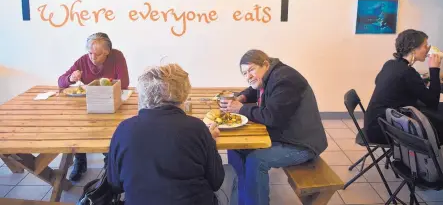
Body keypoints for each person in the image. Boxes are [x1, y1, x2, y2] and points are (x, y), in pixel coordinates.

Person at [107, 64, 238, 205]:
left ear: (143, 95)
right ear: (183, 94)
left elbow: (115, 184)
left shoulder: (124, 129)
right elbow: (216, 181)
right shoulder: (197, 128)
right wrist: (210, 142)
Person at [220, 49, 327, 205]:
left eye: (251, 70)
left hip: (302, 144)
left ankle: (255, 201)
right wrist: (241, 97)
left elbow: (271, 117)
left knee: (257, 160)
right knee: (235, 145)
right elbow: (254, 89)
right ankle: (242, 195)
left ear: (265, 64)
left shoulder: (286, 80)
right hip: (285, 135)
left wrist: (240, 108)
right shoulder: (272, 75)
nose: (248, 76)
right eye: (245, 73)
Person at [58, 32, 130, 181]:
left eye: (96, 54)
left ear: (107, 52)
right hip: (89, 105)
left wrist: (102, 84)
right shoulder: (83, 61)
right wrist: (70, 78)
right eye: (90, 53)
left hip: (111, 103)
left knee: (113, 129)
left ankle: (108, 162)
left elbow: (124, 83)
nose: (92, 57)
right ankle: (80, 161)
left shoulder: (117, 57)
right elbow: (60, 82)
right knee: (78, 123)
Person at [364, 29, 442, 144]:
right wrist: (434, 69)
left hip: (373, 124)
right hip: (383, 130)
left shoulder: (390, 64)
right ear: (413, 49)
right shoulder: (407, 72)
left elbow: (379, 81)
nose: (428, 50)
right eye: (425, 46)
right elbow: (433, 102)